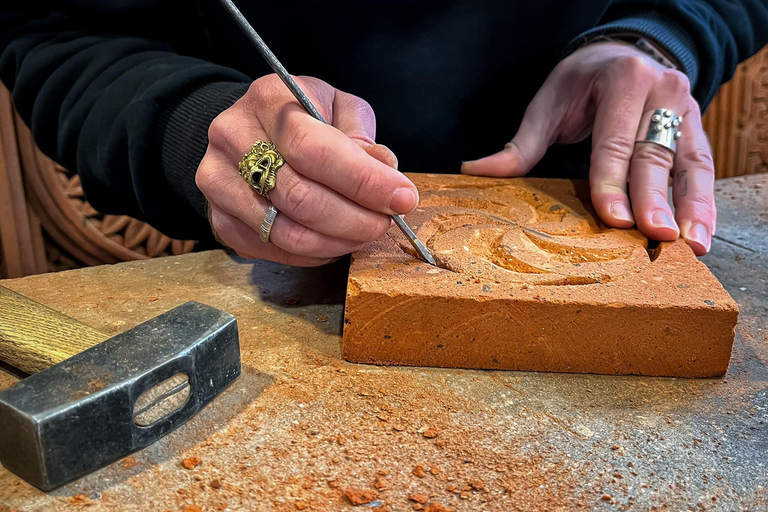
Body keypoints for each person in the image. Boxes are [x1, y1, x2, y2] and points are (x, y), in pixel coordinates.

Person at [1, 1, 766, 267]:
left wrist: (662, 38)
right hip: (277, 250)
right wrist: (196, 127)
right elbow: (55, 34)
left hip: (601, 195)